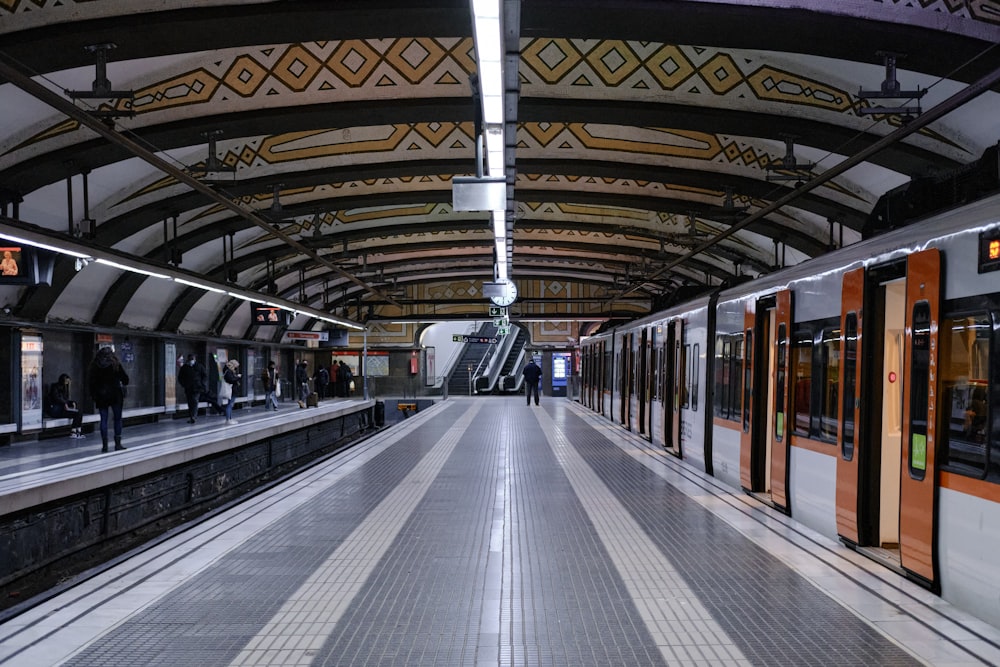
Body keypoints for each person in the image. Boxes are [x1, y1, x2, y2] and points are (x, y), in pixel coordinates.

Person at [88, 346, 129, 452]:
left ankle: (105, 445)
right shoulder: (115, 364)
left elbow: (90, 382)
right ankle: (117, 444)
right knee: (117, 419)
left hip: (101, 396)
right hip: (115, 395)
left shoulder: (94, 365)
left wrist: (94, 394)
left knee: (103, 420)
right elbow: (126, 379)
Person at [47, 373, 84, 438]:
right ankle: (73, 431)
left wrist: (72, 403)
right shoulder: (55, 387)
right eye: (67, 381)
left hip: (62, 409)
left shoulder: (65, 389)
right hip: (56, 410)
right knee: (77, 414)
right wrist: (64, 403)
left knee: (79, 412)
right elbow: (57, 398)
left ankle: (78, 431)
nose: (67, 383)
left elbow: (65, 400)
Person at [177, 354, 208, 423]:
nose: (191, 361)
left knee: (194, 401)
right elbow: (180, 377)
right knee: (190, 402)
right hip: (188, 388)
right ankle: (192, 415)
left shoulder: (199, 366)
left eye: (192, 359)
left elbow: (205, 375)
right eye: (190, 359)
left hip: (197, 387)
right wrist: (184, 384)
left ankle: (193, 416)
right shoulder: (184, 367)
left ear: (195, 359)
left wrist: (202, 383)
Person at [220, 359, 242, 424]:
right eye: (236, 366)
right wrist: (238, 377)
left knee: (230, 404)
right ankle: (228, 419)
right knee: (230, 405)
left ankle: (230, 418)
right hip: (231, 390)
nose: (236, 368)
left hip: (233, 390)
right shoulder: (229, 372)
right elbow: (231, 380)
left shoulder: (229, 371)